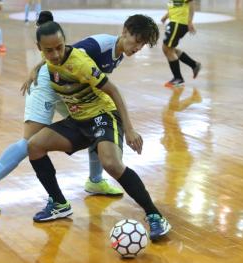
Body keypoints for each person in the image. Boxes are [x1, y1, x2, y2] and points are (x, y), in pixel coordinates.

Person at [0, 11, 160, 214]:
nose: (138, 47)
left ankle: (95, 181)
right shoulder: (99, 45)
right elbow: (61, 54)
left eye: (143, 45)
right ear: (125, 31)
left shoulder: (118, 54)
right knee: (30, 141)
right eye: (137, 41)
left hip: (69, 88)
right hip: (47, 82)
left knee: (94, 120)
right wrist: (37, 68)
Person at [26, 20, 171, 241]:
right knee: (34, 146)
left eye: (59, 47)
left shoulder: (81, 62)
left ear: (65, 42)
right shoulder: (50, 63)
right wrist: (35, 68)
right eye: (49, 50)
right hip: (78, 119)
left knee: (111, 164)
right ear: (40, 49)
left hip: (103, 115)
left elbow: (113, 90)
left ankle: (154, 215)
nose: (55, 54)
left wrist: (130, 129)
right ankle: (58, 203)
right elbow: (49, 63)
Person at [161, 0, 201, 88]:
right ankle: (194, 65)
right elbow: (175, 6)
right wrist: (166, 16)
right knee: (169, 49)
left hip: (179, 23)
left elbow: (191, 4)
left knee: (167, 49)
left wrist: (190, 22)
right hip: (174, 22)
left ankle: (178, 78)